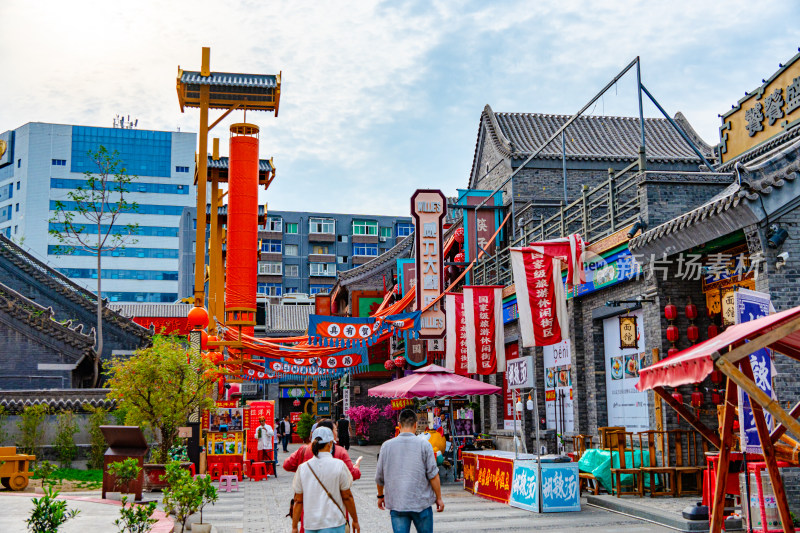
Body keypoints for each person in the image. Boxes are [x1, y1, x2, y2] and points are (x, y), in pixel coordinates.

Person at [376, 409, 444, 533]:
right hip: (421, 504)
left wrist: (380, 496)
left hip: (398, 504)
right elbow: (433, 475)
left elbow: (379, 477)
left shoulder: (386, 446)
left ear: (399, 425)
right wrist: (438, 497)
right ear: (415, 425)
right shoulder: (425, 445)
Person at [291, 426, 360, 533]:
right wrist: (355, 520)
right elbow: (347, 496)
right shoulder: (339, 465)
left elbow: (298, 500)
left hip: (310, 525)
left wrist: (294, 526)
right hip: (334, 523)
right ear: (330, 444)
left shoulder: (303, 468)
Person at [284, 419, 362, 479]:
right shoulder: (340, 452)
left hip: (308, 498)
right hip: (331, 498)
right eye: (335, 430)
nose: (336, 433)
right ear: (329, 432)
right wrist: (356, 467)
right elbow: (353, 475)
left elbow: (287, 465)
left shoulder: (303, 449)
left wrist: (303, 468)